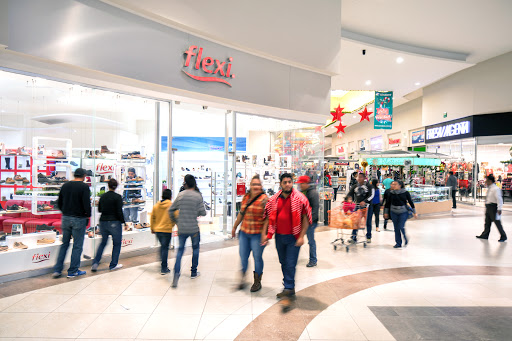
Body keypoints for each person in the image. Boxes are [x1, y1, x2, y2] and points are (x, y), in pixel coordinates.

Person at [261, 173, 312, 301]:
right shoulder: (274, 199)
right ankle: (289, 286)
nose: (288, 184)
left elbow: (305, 218)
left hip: (293, 237)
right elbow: (268, 216)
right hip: (279, 236)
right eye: (285, 182)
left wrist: (301, 236)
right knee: (283, 262)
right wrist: (264, 234)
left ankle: (288, 288)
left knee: (290, 263)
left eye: (290, 182)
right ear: (280, 184)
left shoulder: (300, 199)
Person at [169, 174, 207, 288]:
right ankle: (193, 272)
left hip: (182, 227)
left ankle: (176, 275)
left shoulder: (180, 195)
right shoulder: (197, 196)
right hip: (194, 228)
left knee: (180, 251)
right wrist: (196, 212)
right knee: (195, 249)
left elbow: (171, 210)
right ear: (194, 183)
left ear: (185, 183)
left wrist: (176, 221)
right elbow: (203, 212)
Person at [53, 168, 91, 278]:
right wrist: (87, 215)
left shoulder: (65, 185)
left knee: (64, 244)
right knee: (77, 246)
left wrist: (65, 211)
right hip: (79, 218)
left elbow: (59, 202)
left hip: (65, 218)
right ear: (84, 176)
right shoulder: (84, 187)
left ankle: (57, 270)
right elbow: (86, 203)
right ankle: (73, 270)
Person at [231, 175, 268, 291]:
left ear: (261, 186)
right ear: (250, 186)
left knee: (257, 257)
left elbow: (268, 218)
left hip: (257, 234)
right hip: (244, 233)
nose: (255, 187)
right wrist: (234, 227)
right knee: (243, 257)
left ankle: (257, 282)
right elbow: (241, 214)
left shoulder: (265, 199)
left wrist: (264, 234)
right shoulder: (246, 197)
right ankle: (242, 279)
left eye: (258, 184)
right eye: (253, 184)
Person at [91, 179, 125, 272]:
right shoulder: (118, 197)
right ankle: (113, 264)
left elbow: (100, 209)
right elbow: (119, 211)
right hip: (114, 222)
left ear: (108, 186)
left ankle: (95, 263)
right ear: (116, 186)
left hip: (103, 221)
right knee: (117, 243)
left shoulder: (103, 196)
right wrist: (124, 222)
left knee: (103, 243)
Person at [384, 181, 416, 248]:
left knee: (401, 226)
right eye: (392, 184)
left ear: (400, 185)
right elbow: (387, 203)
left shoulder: (405, 193)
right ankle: (398, 243)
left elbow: (410, 202)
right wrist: (386, 212)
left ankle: (405, 237)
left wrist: (414, 212)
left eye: (395, 184)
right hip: (393, 212)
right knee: (396, 228)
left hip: (403, 212)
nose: (393, 185)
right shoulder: (391, 193)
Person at [296, 175, 319, 268]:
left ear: (306, 183)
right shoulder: (303, 192)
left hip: (311, 222)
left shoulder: (313, 193)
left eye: (301, 184)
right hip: (302, 221)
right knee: (297, 239)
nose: (300, 185)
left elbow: (315, 208)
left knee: (311, 241)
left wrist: (310, 221)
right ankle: (293, 257)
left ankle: (313, 260)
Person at [151, 189, 175, 275]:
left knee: (162, 247)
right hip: (166, 230)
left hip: (158, 230)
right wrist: (171, 225)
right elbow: (175, 217)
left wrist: (152, 228)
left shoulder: (156, 205)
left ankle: (162, 263)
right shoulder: (171, 205)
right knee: (165, 248)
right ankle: (164, 267)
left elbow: (152, 217)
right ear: (170, 196)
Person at [476, 174, 507, 242]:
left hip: (493, 207)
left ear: (490, 181)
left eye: (486, 180)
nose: (485, 182)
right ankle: (485, 235)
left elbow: (499, 199)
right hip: (489, 207)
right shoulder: (490, 188)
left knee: (497, 222)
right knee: (487, 222)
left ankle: (503, 236)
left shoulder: (496, 189)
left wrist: (499, 208)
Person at [347, 173, 374, 242]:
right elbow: (350, 194)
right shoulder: (355, 186)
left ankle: (368, 236)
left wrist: (365, 201)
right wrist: (347, 200)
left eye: (361, 177)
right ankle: (353, 236)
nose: (359, 178)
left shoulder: (369, 186)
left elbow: (371, 195)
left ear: (365, 178)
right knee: (356, 221)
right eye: (358, 177)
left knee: (368, 222)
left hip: (367, 207)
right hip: (358, 206)